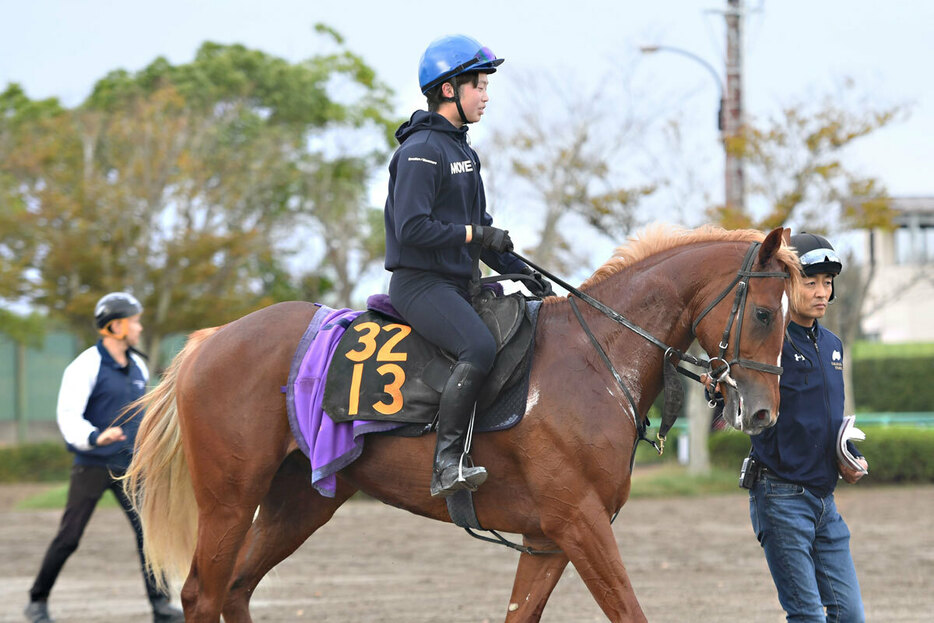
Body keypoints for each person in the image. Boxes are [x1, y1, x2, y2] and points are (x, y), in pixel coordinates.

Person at [384, 34, 551, 498]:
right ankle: (446, 463)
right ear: (448, 90)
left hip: (460, 284)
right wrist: (477, 235)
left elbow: (482, 230)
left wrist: (522, 270)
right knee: (478, 348)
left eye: (485, 85)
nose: (486, 95)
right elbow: (413, 229)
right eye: (478, 85)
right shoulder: (419, 152)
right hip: (420, 286)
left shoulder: (463, 151)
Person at [24, 293, 184, 623]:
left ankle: (161, 606)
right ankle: (37, 601)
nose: (139, 327)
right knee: (69, 537)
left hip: (131, 467)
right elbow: (68, 416)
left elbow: (145, 414)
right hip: (92, 465)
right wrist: (95, 436)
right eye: (134, 320)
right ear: (116, 325)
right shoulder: (85, 365)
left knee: (148, 539)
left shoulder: (139, 365)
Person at [743, 233, 868, 622]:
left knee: (849, 615)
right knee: (808, 616)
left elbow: (827, 416)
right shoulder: (766, 343)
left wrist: (847, 452)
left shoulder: (832, 344)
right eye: (810, 281)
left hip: (824, 501)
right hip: (780, 497)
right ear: (788, 282)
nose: (821, 292)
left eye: (827, 283)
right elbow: (740, 398)